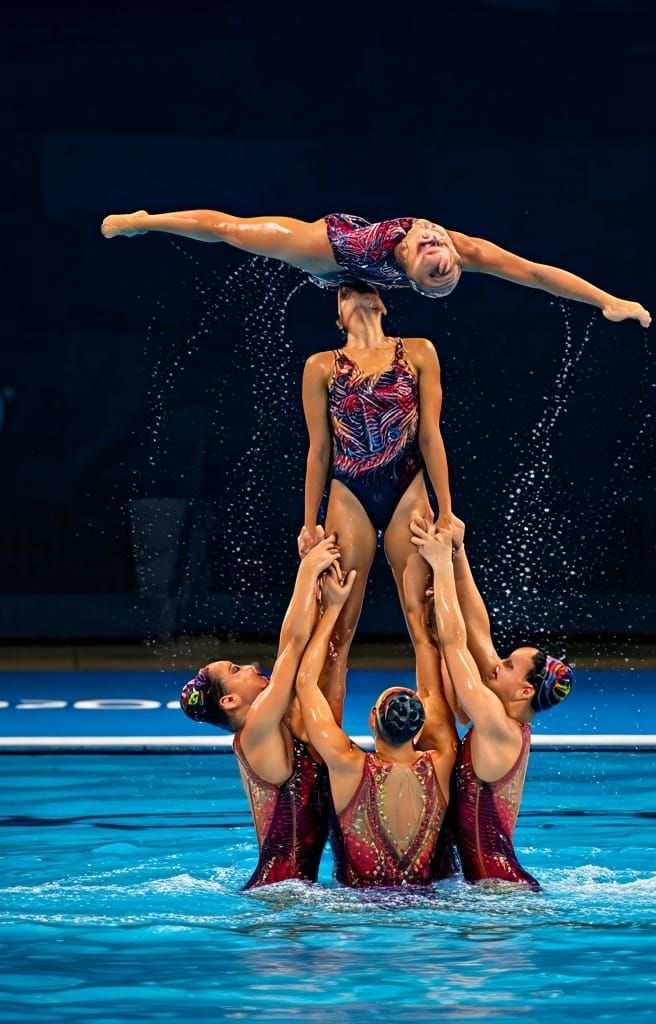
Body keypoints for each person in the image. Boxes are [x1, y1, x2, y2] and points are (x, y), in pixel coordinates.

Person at [297, 279, 454, 728]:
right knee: (337, 627)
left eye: (364, 289)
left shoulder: (420, 352)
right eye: (344, 292)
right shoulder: (321, 366)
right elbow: (319, 450)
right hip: (350, 489)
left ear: (383, 303)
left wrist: (446, 510)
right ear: (338, 314)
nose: (355, 294)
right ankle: (325, 749)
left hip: (407, 485)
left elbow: (430, 436)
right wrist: (309, 523)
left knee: (424, 620)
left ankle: (437, 746)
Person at [100, 207, 651, 323]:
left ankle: (145, 221)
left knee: (231, 232)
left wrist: (605, 304)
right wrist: (608, 299)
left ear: (412, 267)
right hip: (356, 254)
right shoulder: (464, 246)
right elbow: (534, 273)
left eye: (433, 266)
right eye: (448, 262)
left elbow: (533, 276)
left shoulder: (341, 250)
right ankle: (147, 218)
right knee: (229, 230)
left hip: (336, 252)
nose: (440, 251)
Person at [179, 531, 351, 890]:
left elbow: (311, 660)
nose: (251, 667)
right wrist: (307, 572)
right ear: (229, 701)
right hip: (278, 897)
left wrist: (324, 601)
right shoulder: (255, 730)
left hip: (288, 894)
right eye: (236, 670)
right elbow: (291, 647)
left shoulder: (277, 727)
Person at [410, 519, 573, 888]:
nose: (498, 664)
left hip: (499, 895)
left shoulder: (498, 728)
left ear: (525, 691)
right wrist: (457, 552)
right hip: (492, 890)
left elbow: (455, 644)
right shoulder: (505, 719)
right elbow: (479, 634)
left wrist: (440, 568)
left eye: (510, 665)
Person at [294, 585, 459, 887]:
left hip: (357, 911)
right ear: (420, 729)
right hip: (425, 911)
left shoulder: (348, 763)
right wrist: (423, 629)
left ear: (372, 719)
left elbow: (305, 684)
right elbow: (433, 691)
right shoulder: (444, 760)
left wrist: (331, 609)